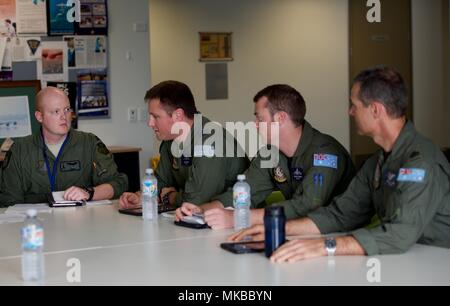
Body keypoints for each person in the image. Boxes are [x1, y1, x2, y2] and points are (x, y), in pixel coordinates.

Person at [230, 67, 450, 262]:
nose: (350, 111)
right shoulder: (378, 161)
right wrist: (276, 228)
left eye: (354, 105)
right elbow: (342, 214)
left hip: (437, 262)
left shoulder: (420, 162)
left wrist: (326, 246)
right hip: (406, 258)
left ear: (375, 110)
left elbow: (399, 233)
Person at [176, 84, 355, 229]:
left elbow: (308, 205)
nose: (255, 125)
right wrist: (200, 211)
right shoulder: (270, 153)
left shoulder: (325, 153)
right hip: (299, 233)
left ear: (280, 118)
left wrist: (238, 218)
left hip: (340, 236)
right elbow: (243, 193)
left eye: (260, 119)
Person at [119, 80, 249, 210]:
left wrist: (170, 196)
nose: (150, 123)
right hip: (200, 221)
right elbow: (160, 182)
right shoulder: (170, 141)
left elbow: (196, 201)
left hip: (236, 219)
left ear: (178, 115)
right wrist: (142, 197)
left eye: (155, 117)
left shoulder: (211, 141)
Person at [0, 87, 128, 206]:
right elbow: (9, 200)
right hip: (37, 223)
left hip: (81, 221)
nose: (64, 117)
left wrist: (89, 193)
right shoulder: (19, 150)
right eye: (56, 111)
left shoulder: (89, 143)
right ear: (39, 116)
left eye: (67, 110)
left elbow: (119, 183)